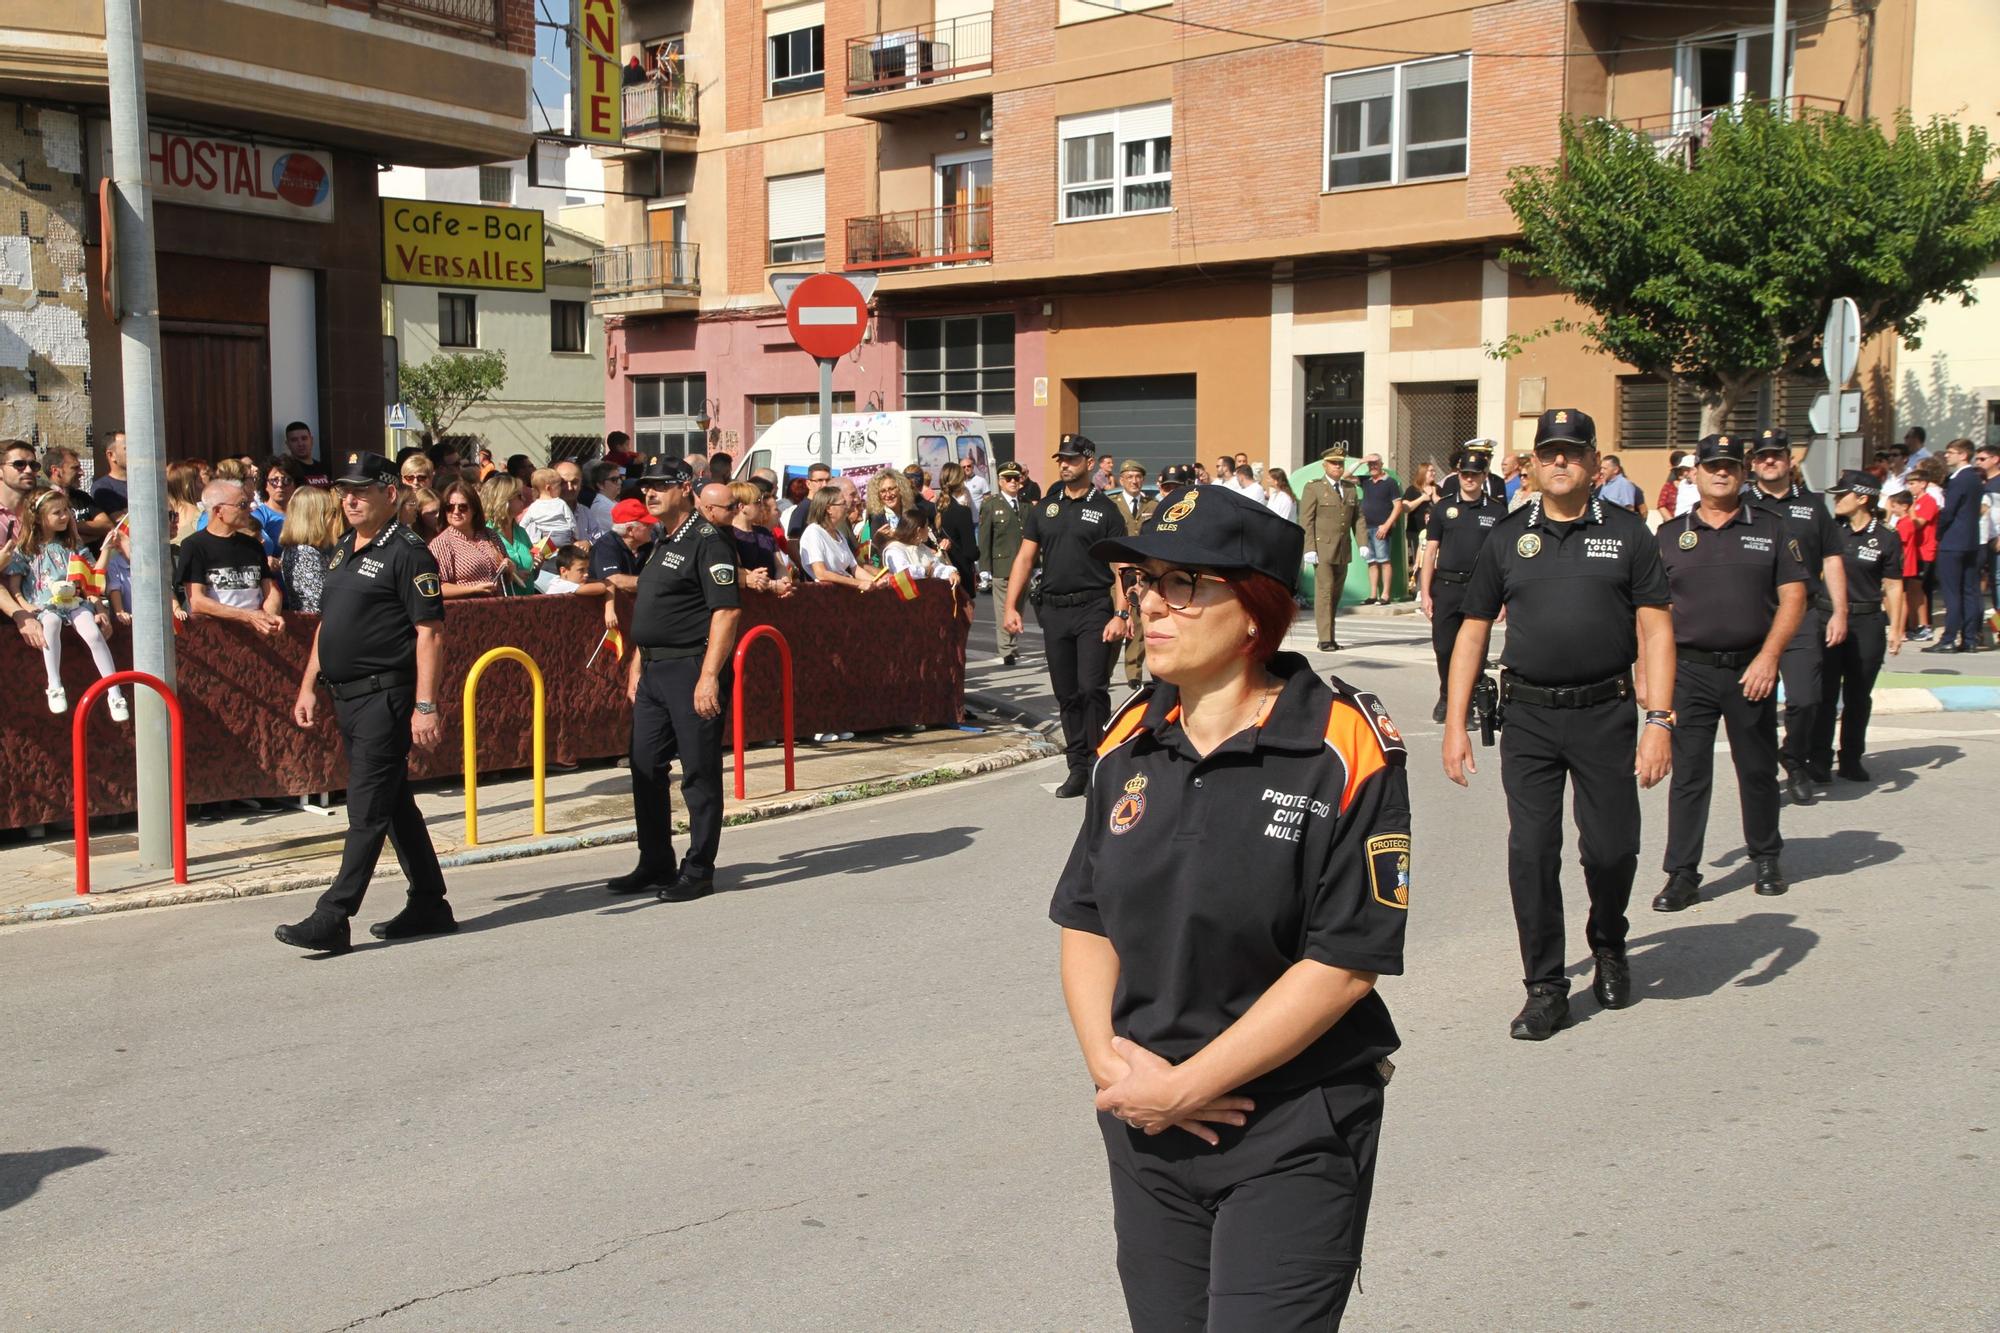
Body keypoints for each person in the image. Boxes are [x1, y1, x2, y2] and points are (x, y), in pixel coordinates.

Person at [1054, 483, 1408, 1331]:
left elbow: (1345, 962)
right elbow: (1087, 915)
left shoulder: (1343, 744)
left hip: (1290, 1125)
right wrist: (1114, 1068)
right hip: (1147, 1128)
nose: (1150, 605)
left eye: (1182, 584)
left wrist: (1190, 1087)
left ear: (1252, 609)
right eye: (1145, 581)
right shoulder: (1126, 737)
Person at [1443, 409, 1675, 1040]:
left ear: (1595, 462)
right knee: (1532, 850)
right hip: (1529, 718)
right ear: (1535, 462)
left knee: (1611, 847)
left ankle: (1608, 940)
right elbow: (1473, 629)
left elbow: (1656, 629)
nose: (1560, 462)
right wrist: (1456, 721)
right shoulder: (1506, 537)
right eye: (1549, 453)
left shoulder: (1630, 535)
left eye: (1572, 452)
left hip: (1606, 713)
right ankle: (1545, 986)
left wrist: (1660, 719)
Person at [276, 453, 451, 954]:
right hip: (345, 696)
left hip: (385, 696)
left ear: (389, 494)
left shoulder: (409, 552)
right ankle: (430, 903)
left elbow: (430, 633)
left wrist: (425, 705)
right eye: (344, 491)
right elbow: (328, 625)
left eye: (362, 490)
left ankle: (334, 914)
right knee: (393, 803)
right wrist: (309, 683)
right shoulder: (340, 550)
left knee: (367, 807)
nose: (350, 499)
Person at [1654, 433, 1808, 913]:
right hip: (1689, 671)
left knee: (1757, 769)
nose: (1721, 473)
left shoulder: (1773, 527)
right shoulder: (1667, 535)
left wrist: (1769, 656)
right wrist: (1646, 673)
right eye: (1712, 465)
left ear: (1742, 474)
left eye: (1730, 466)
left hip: (1750, 669)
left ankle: (1765, 857)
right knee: (1690, 775)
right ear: (1694, 473)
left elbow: (1795, 598)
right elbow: (1650, 611)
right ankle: (1682, 874)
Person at [609, 455, 743, 903]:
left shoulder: (708, 541)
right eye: (646, 485)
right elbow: (653, 613)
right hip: (653, 670)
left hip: (691, 668)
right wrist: (636, 663)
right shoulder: (660, 543)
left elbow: (726, 611)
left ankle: (700, 867)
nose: (650, 492)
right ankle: (655, 860)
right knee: (645, 765)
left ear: (686, 487)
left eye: (661, 485)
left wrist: (709, 676)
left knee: (699, 773)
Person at [1000, 434, 1130, 799]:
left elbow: (1121, 565)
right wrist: (1013, 606)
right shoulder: (1046, 507)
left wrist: (1121, 612)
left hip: (1093, 608)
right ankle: (1077, 767)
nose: (1064, 464)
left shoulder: (1106, 510)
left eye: (1072, 459)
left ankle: (1098, 759)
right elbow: (1025, 558)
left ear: (1090, 463)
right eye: (1061, 459)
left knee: (1092, 688)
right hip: (1054, 610)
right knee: (1067, 694)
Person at [1745, 429, 1849, 804]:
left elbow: (1832, 558)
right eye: (1761, 456)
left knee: (1806, 698)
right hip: (1753, 613)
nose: (1769, 461)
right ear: (1752, 463)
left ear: (1789, 460)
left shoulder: (1812, 505)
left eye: (1776, 455)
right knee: (1754, 704)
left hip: (1803, 613)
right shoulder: (1739, 502)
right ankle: (1760, 771)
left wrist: (1840, 611)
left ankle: (1794, 757)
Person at [1809, 470, 1905, 783]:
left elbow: (1893, 586)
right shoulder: (1830, 530)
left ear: (1862, 498)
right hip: (1827, 619)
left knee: (1858, 695)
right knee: (1824, 695)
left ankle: (1851, 758)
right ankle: (1819, 760)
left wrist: (1897, 628)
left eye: (1842, 495)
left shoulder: (1886, 537)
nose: (1836, 500)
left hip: (1867, 622)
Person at [6, 488, 126, 719]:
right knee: (50, 623)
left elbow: (92, 577)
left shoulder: (73, 545)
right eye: (57, 513)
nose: (65, 516)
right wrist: (24, 605)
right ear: (39, 518)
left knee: (92, 633)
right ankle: (54, 685)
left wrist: (107, 550)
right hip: (44, 605)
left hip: (75, 602)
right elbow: (14, 585)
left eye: (66, 511)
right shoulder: (26, 549)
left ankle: (115, 692)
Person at [1418, 441, 1503, 723]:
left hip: (1480, 589)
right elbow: (1430, 551)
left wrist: (1502, 597)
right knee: (1443, 647)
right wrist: (1425, 591)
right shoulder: (1443, 508)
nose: (1469, 479)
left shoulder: (1496, 511)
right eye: (1464, 473)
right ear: (1457, 474)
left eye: (1475, 474)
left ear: (1484, 476)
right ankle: (1446, 693)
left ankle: (1464, 704)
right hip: (1446, 586)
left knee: (1475, 650)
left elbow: (1502, 558)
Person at [178, 481, 284, 635]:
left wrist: (269, 617)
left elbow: (271, 590)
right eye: (242, 504)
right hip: (215, 640)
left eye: (249, 503)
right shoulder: (194, 545)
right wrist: (248, 616)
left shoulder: (253, 545)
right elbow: (197, 602)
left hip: (255, 636)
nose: (250, 509)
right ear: (219, 511)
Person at [1299, 448, 1361, 650]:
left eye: (1341, 463)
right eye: (1334, 463)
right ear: (1324, 465)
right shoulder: (1314, 488)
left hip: (1342, 549)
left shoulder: (1350, 489)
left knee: (1335, 594)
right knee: (1324, 592)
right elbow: (1306, 520)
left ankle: (1331, 636)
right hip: (1322, 548)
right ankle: (1324, 639)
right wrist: (1310, 548)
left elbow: (1358, 519)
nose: (1338, 467)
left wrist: (1363, 543)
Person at [1928, 438, 1986, 652]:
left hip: (1953, 541)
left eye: (1951, 452)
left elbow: (1949, 511)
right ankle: (1969, 639)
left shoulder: (1959, 479)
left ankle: (1949, 638)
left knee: (1952, 592)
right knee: (1970, 591)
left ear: (1963, 455)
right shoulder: (1974, 478)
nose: (1946, 455)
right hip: (1971, 540)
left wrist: (1939, 532)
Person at [1111, 459, 1156, 687]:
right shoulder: (1112, 504)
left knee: (1137, 623)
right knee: (1114, 618)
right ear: (1121, 480)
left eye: (1138, 477)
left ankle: (1134, 674)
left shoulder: (1152, 506)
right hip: (1115, 572)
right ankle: (1105, 669)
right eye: (1129, 477)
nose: (1134, 481)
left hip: (1140, 572)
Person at [979, 461, 1029, 665]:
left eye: (1016, 478)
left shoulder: (1025, 506)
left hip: (1023, 567)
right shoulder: (992, 505)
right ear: (1000, 481)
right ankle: (1006, 649)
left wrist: (1036, 566)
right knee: (1003, 609)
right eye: (1008, 479)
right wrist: (984, 568)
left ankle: (1013, 644)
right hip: (1002, 566)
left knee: (1019, 607)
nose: (1013, 482)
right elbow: (984, 538)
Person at [429, 480, 510, 598]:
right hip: (466, 611)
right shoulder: (441, 543)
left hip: (498, 608)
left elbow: (507, 570)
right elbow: (436, 587)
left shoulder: (490, 535)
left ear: (474, 509)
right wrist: (472, 589)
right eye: (450, 507)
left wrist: (509, 566)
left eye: (462, 507)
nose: (456, 512)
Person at [278, 484, 346, 613]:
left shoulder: (306, 550)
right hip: (314, 627)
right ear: (316, 518)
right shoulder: (305, 553)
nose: (334, 519)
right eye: (330, 513)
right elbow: (320, 602)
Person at [798, 485, 875, 589]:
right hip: (823, 597)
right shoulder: (813, 532)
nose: (846, 507)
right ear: (829, 508)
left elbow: (855, 568)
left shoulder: (839, 534)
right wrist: (858, 583)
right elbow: (821, 573)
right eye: (842, 504)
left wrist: (876, 582)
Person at [727, 481, 795, 595]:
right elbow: (739, 571)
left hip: (770, 600)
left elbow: (780, 565)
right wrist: (772, 585)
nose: (762, 506)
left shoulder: (764, 533)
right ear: (742, 507)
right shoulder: (730, 534)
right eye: (757, 502)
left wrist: (783, 582)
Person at [478, 473, 536, 593]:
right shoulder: (485, 534)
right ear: (504, 500)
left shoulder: (521, 532)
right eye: (519, 496)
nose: (524, 499)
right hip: (502, 604)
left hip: (528, 602)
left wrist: (537, 566)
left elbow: (531, 574)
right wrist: (512, 576)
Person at [40, 446, 110, 543]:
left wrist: (71, 526)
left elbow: (107, 525)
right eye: (75, 468)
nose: (81, 472)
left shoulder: (82, 497)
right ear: (55, 470)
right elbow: (55, 539)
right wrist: (92, 532)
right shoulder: (43, 500)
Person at [1356, 454, 1400, 604]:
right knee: (1371, 562)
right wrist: (1361, 461)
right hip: (1366, 527)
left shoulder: (1390, 483)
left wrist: (1387, 525)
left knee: (1384, 561)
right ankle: (1372, 594)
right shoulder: (1365, 481)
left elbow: (1398, 506)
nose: (1372, 467)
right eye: (1370, 465)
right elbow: (1345, 476)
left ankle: (1385, 595)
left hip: (1381, 528)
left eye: (1375, 464)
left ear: (1381, 464)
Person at [592, 496, 657, 592]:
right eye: (647, 524)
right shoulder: (606, 545)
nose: (653, 526)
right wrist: (655, 584)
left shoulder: (648, 543)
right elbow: (614, 580)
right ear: (630, 530)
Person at [933, 463, 979, 594]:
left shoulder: (934, 508)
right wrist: (978, 553)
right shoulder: (962, 512)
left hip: (939, 572)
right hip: (960, 573)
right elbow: (970, 551)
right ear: (960, 482)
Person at [1399, 462, 1439, 597]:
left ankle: (1431, 589)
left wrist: (1433, 496)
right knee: (1418, 561)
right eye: (1430, 471)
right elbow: (1405, 508)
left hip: (1434, 533)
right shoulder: (1412, 490)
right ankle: (1418, 589)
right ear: (1422, 473)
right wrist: (1422, 498)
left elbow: (1444, 505)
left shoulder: (1437, 489)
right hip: (1416, 531)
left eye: (1434, 471)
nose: (1433, 473)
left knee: (1434, 560)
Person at [786, 462, 834, 542]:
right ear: (808, 484)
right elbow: (792, 543)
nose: (825, 484)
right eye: (820, 480)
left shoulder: (826, 506)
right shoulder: (803, 509)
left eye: (828, 480)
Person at [90, 431, 130, 520]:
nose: (134, 453)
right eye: (127, 448)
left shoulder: (145, 483)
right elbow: (121, 522)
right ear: (111, 455)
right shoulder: (103, 487)